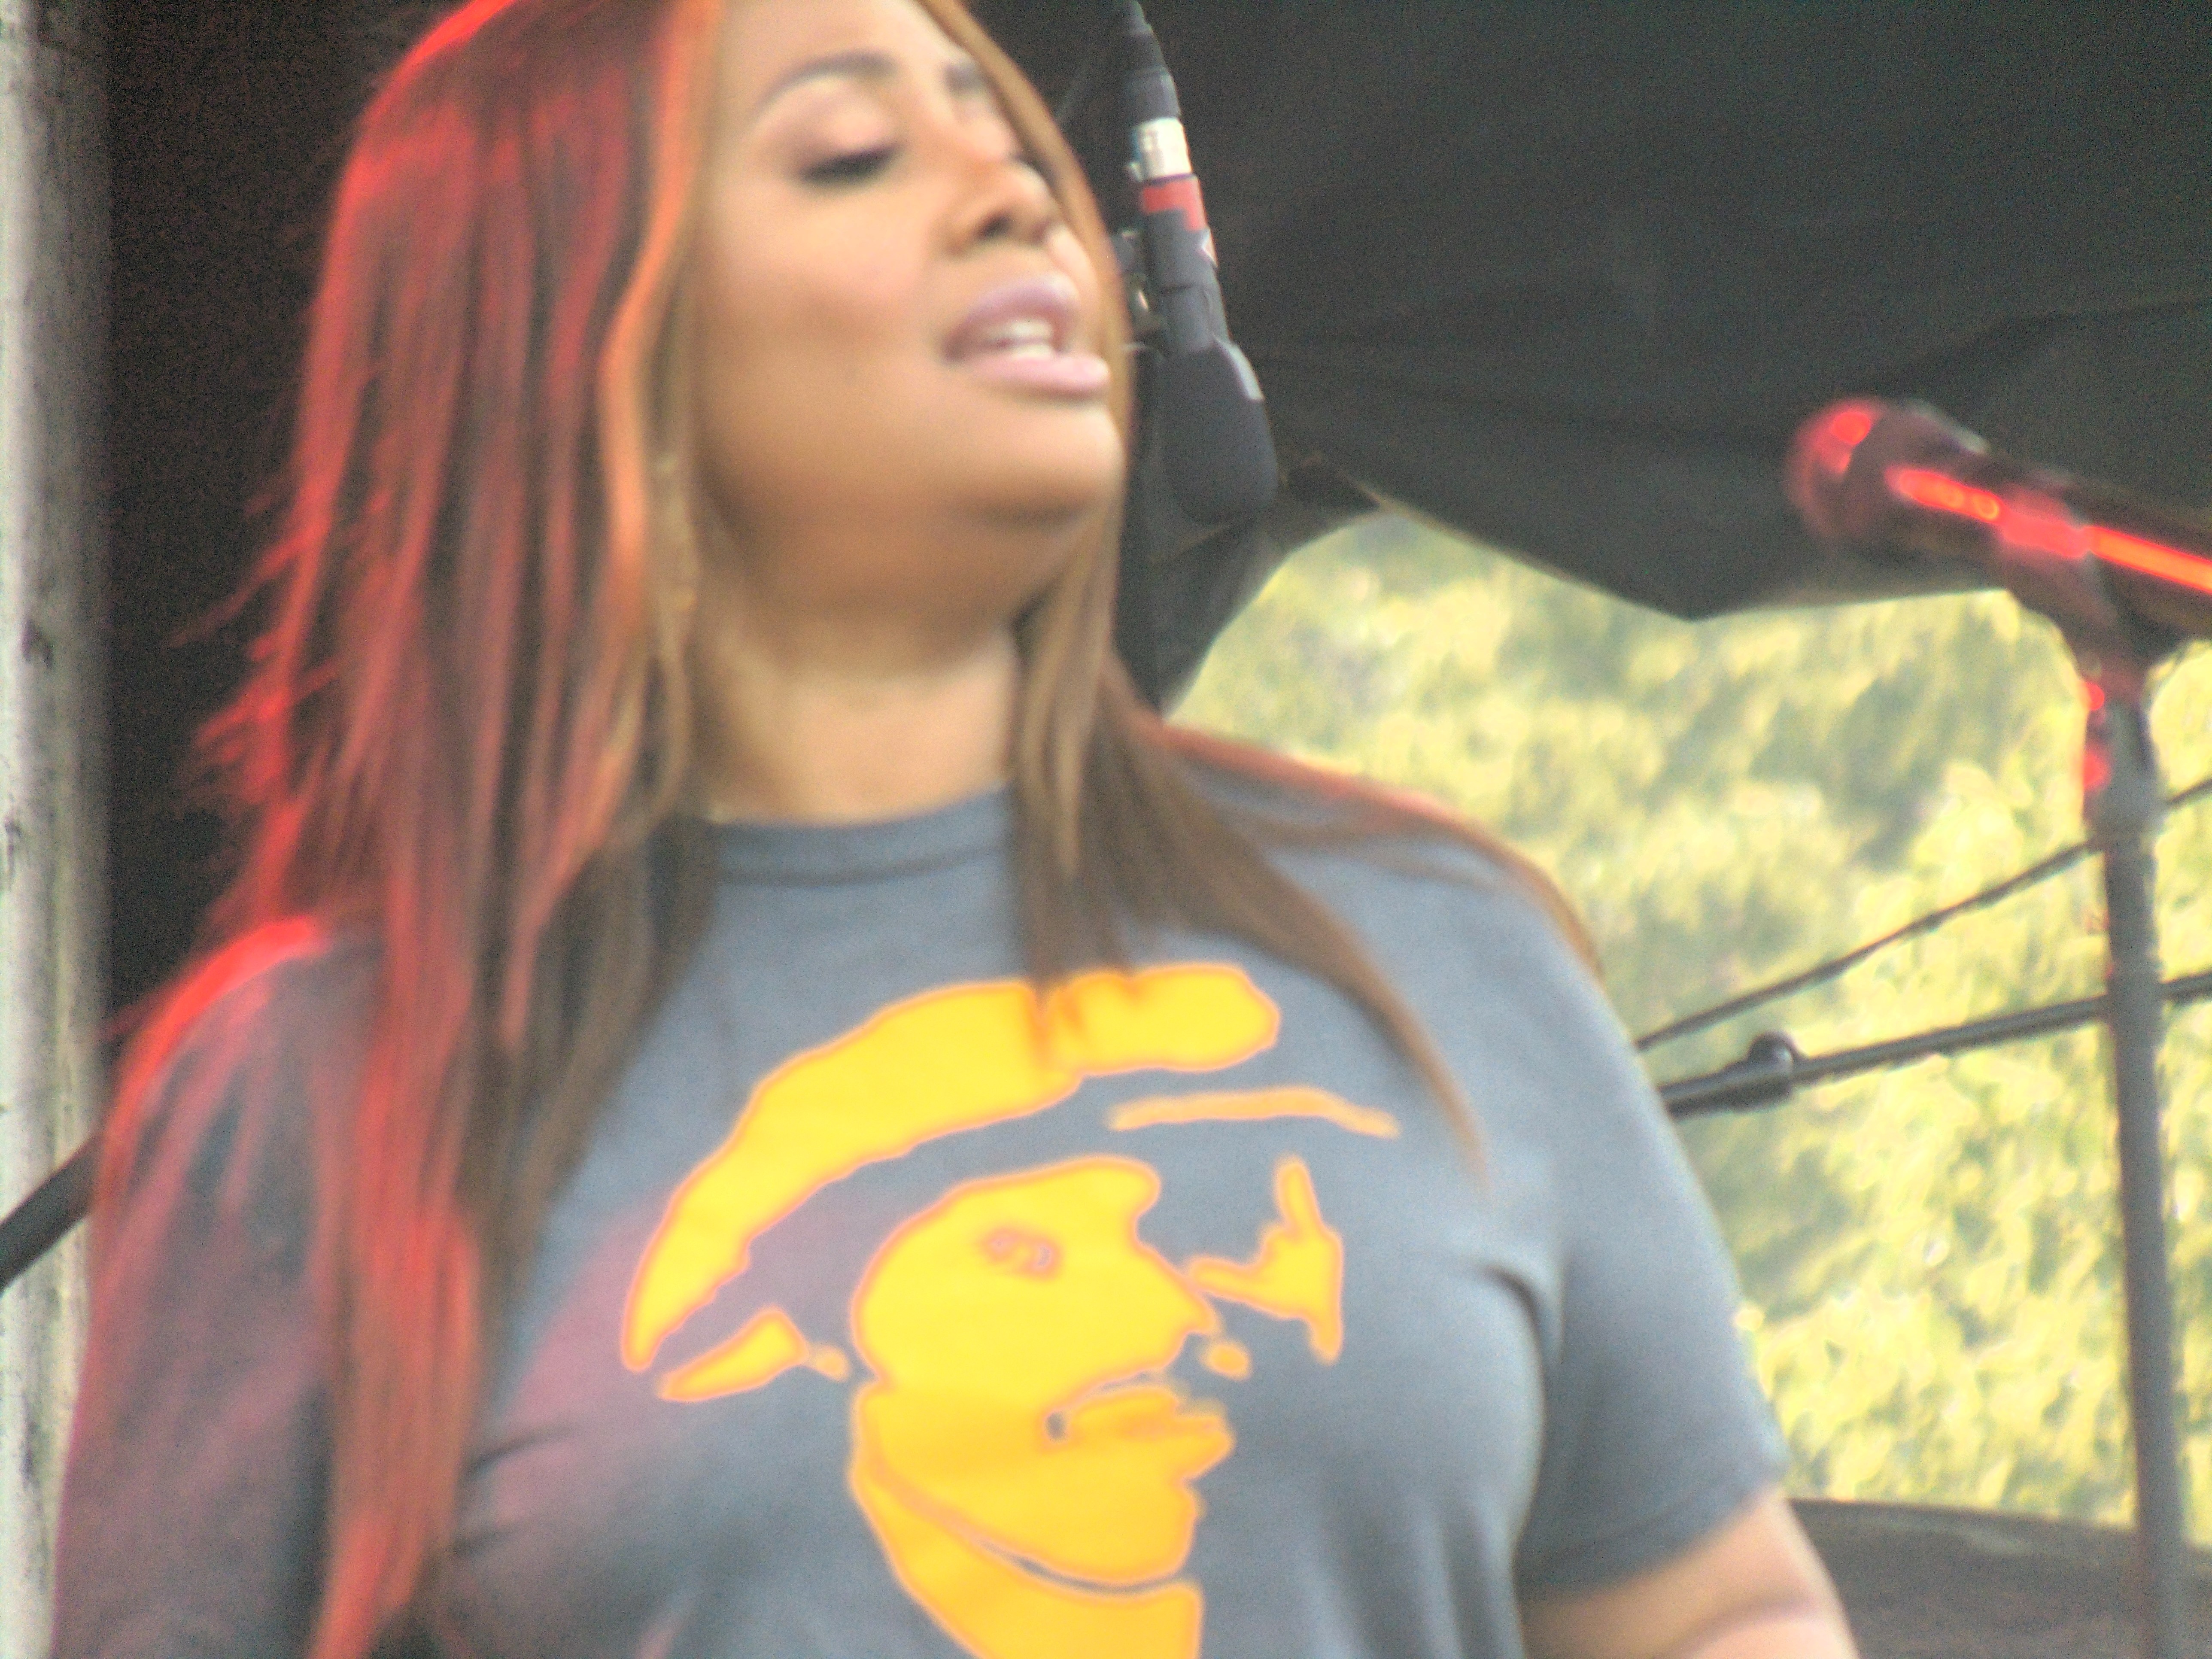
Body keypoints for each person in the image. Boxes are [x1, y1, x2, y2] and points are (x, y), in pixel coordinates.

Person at [52, 1, 1860, 1656]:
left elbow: (1715, 1614)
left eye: (1009, 136)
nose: (1012, 192)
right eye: (852, 154)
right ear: (588, 358)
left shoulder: (1435, 936)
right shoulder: (321, 1084)